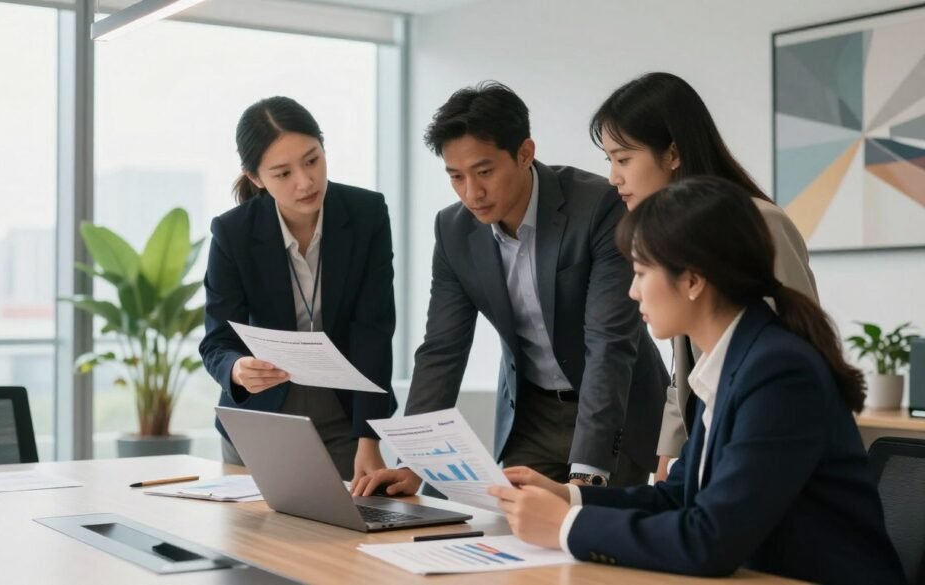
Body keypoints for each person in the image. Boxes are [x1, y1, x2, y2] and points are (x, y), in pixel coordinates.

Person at [489, 177, 904, 583]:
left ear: (691, 279)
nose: (632, 292)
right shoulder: (731, 360)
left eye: (640, 272)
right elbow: (678, 497)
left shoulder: (778, 371)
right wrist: (568, 496)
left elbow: (710, 541)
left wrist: (566, 526)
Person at [352, 81, 667, 497]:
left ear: (524, 153)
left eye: (484, 172)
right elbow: (442, 349)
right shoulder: (453, 230)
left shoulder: (598, 207)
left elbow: (608, 344)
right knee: (515, 541)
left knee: (592, 544)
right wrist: (415, 461)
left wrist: (585, 478)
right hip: (530, 417)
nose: (472, 193)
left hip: (615, 414)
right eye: (456, 177)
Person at [591, 71, 819, 481]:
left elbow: (795, 356)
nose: (613, 178)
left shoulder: (759, 224)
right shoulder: (675, 237)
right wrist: (666, 466)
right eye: (608, 160)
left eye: (623, 159)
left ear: (673, 154)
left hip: (765, 453)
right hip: (710, 453)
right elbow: (689, 372)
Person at [199, 96, 396, 482]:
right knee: (255, 542)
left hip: (344, 415)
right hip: (260, 420)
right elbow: (216, 342)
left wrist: (369, 438)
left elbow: (374, 331)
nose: (305, 182)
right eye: (283, 173)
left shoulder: (367, 213)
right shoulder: (233, 232)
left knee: (341, 537)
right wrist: (238, 370)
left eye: (312, 160)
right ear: (256, 177)